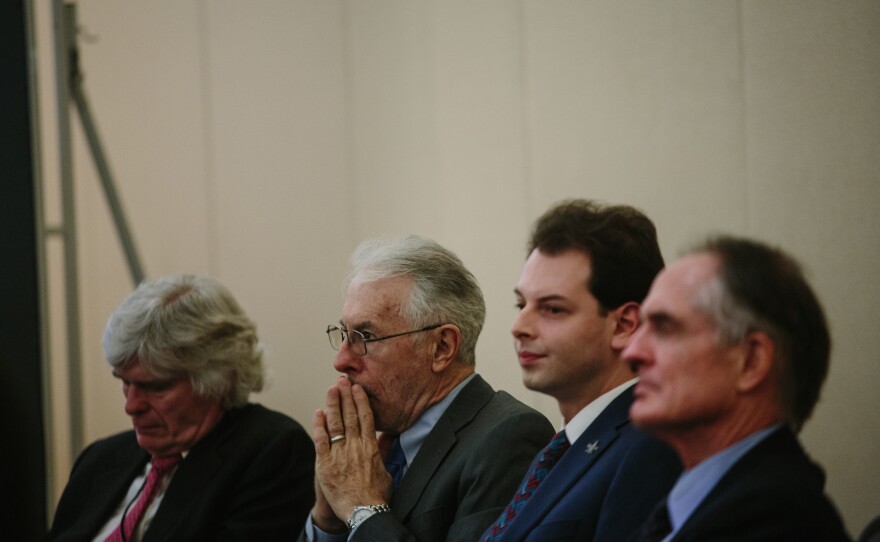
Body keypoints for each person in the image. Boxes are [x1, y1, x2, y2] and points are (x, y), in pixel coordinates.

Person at [301, 235, 555, 542]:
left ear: (441, 347)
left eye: (365, 336)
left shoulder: (508, 437)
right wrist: (329, 521)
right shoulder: (377, 447)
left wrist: (363, 509)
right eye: (344, 333)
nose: (341, 360)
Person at [47, 274, 315, 541]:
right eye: (125, 382)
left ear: (218, 379)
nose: (131, 406)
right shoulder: (99, 458)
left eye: (155, 387)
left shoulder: (271, 451)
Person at [623, 236, 850, 541]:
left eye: (664, 328)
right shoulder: (691, 508)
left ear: (750, 362)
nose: (632, 352)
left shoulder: (780, 525)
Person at [480, 199, 682, 541]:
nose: (519, 326)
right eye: (521, 304)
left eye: (553, 309)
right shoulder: (563, 446)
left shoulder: (651, 448)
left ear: (624, 325)